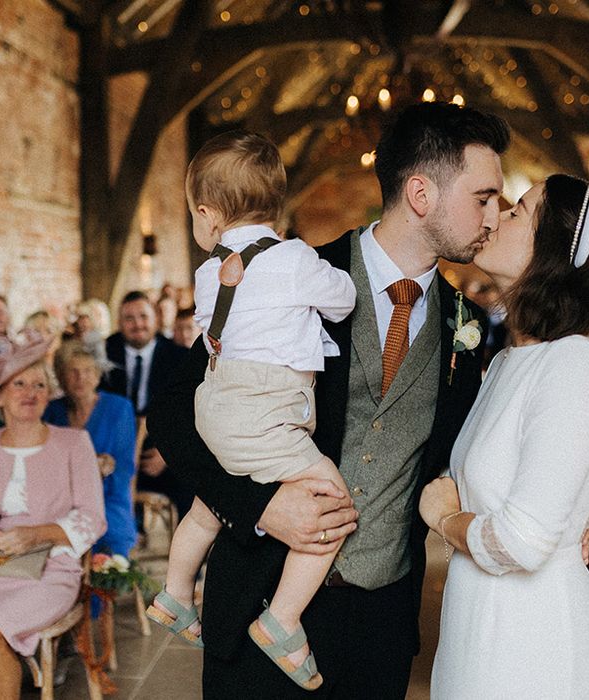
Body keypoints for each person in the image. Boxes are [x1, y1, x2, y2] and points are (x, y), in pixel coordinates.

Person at [147, 101, 506, 698]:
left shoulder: (465, 325)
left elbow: (451, 452)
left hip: (381, 629)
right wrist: (256, 505)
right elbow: (174, 411)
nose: (494, 215)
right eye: (483, 197)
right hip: (259, 601)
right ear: (422, 194)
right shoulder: (292, 271)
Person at [420, 176, 589, 698]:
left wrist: (441, 515)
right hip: (479, 624)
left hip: (530, 640)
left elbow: (519, 542)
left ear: (556, 253)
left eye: (517, 212)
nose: (495, 217)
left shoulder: (577, 362)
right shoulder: (511, 359)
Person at [145, 131, 356, 689]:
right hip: (265, 408)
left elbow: (216, 336)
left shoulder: (209, 271)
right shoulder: (292, 258)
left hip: (213, 401)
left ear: (209, 215)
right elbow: (344, 299)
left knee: (208, 506)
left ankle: (173, 591)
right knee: (333, 507)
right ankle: (282, 621)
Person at [0, 338, 106, 700]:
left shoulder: (75, 443)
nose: (31, 392)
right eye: (19, 384)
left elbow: (93, 518)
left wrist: (36, 535)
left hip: (51, 569)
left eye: (39, 384)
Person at [44, 341, 137, 560]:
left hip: (108, 502)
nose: (80, 378)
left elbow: (124, 467)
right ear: (60, 376)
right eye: (72, 372)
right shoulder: (52, 411)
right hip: (62, 503)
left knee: (106, 551)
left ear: (97, 374)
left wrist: (106, 468)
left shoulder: (119, 408)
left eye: (87, 371)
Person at [104, 290, 190, 520]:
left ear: (156, 319)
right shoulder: (105, 353)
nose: (137, 324)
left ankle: (186, 551)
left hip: (161, 449)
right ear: (119, 323)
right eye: (129, 318)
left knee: (192, 481)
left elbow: (189, 412)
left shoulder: (179, 357)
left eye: (143, 316)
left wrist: (169, 453)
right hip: (115, 451)